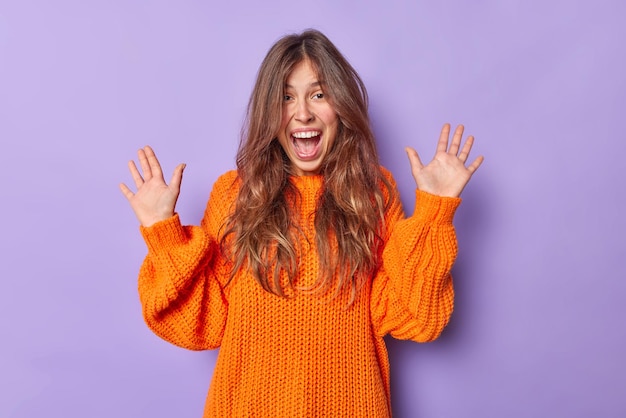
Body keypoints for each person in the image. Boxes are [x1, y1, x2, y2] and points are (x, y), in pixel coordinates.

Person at [120, 29, 483, 417]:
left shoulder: (374, 194)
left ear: (340, 105)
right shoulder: (236, 195)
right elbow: (203, 324)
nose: (303, 112)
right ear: (268, 111)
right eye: (286, 96)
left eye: (319, 94)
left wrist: (434, 213)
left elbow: (417, 316)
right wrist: (162, 232)